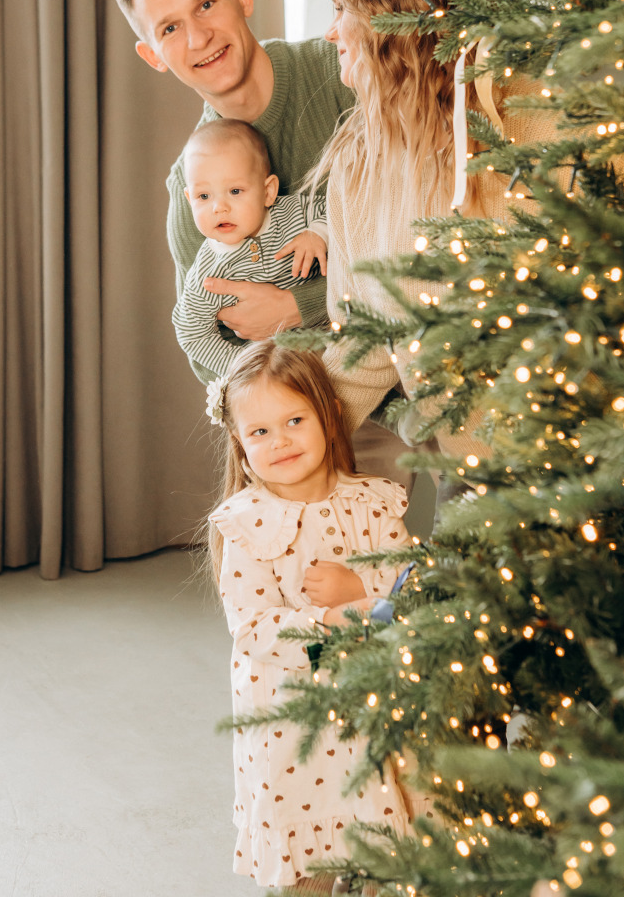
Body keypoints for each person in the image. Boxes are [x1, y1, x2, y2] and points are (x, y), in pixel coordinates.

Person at [313, 0, 559, 463]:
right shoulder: (359, 163)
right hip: (470, 477)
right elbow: (364, 341)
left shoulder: (541, 127)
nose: (331, 33)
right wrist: (294, 446)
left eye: (341, 7)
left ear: (395, 15)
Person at [206, 340, 419, 893]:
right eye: (260, 432)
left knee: (386, 846)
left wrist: (359, 586)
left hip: (374, 711)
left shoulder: (374, 502)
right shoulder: (247, 524)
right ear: (239, 441)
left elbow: (411, 592)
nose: (279, 441)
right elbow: (252, 628)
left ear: (327, 417)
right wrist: (329, 624)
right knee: (308, 872)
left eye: (294, 420)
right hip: (293, 730)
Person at [113, 0, 354, 385]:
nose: (199, 37)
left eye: (206, 5)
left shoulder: (342, 73)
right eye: (170, 28)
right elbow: (205, 348)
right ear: (153, 56)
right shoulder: (192, 192)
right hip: (302, 411)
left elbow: (418, 234)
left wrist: (301, 308)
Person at [173, 119, 328, 378]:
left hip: (345, 335)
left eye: (234, 191)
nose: (218, 207)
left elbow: (343, 209)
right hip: (288, 370)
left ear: (268, 192)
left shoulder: (294, 213)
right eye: (204, 196)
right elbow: (190, 332)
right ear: (189, 200)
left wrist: (318, 233)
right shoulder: (209, 276)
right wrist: (244, 367)